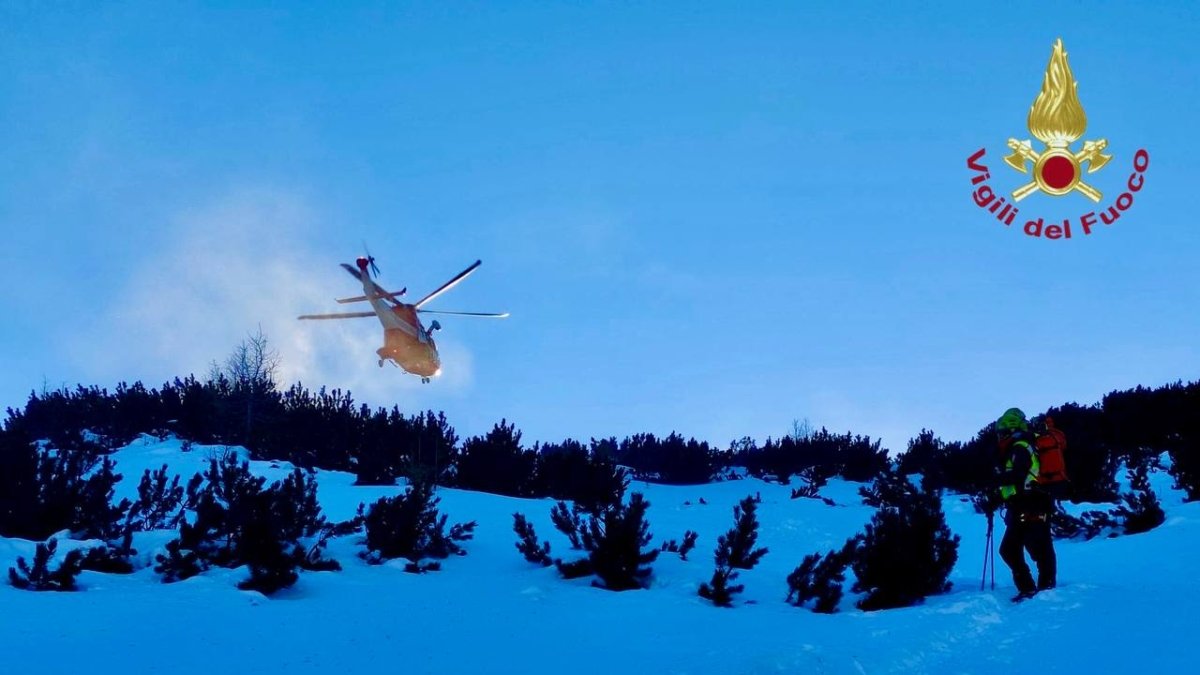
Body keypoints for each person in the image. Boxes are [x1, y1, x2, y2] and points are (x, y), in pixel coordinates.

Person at [990, 407, 1057, 600]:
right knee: (1014, 549)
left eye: (1002, 432)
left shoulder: (1020, 447)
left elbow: (1018, 475)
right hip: (1025, 503)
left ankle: (1044, 589)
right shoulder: (1020, 446)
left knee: (1036, 548)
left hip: (1032, 502)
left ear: (1010, 429)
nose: (1000, 437)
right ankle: (1033, 589)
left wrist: (994, 481)